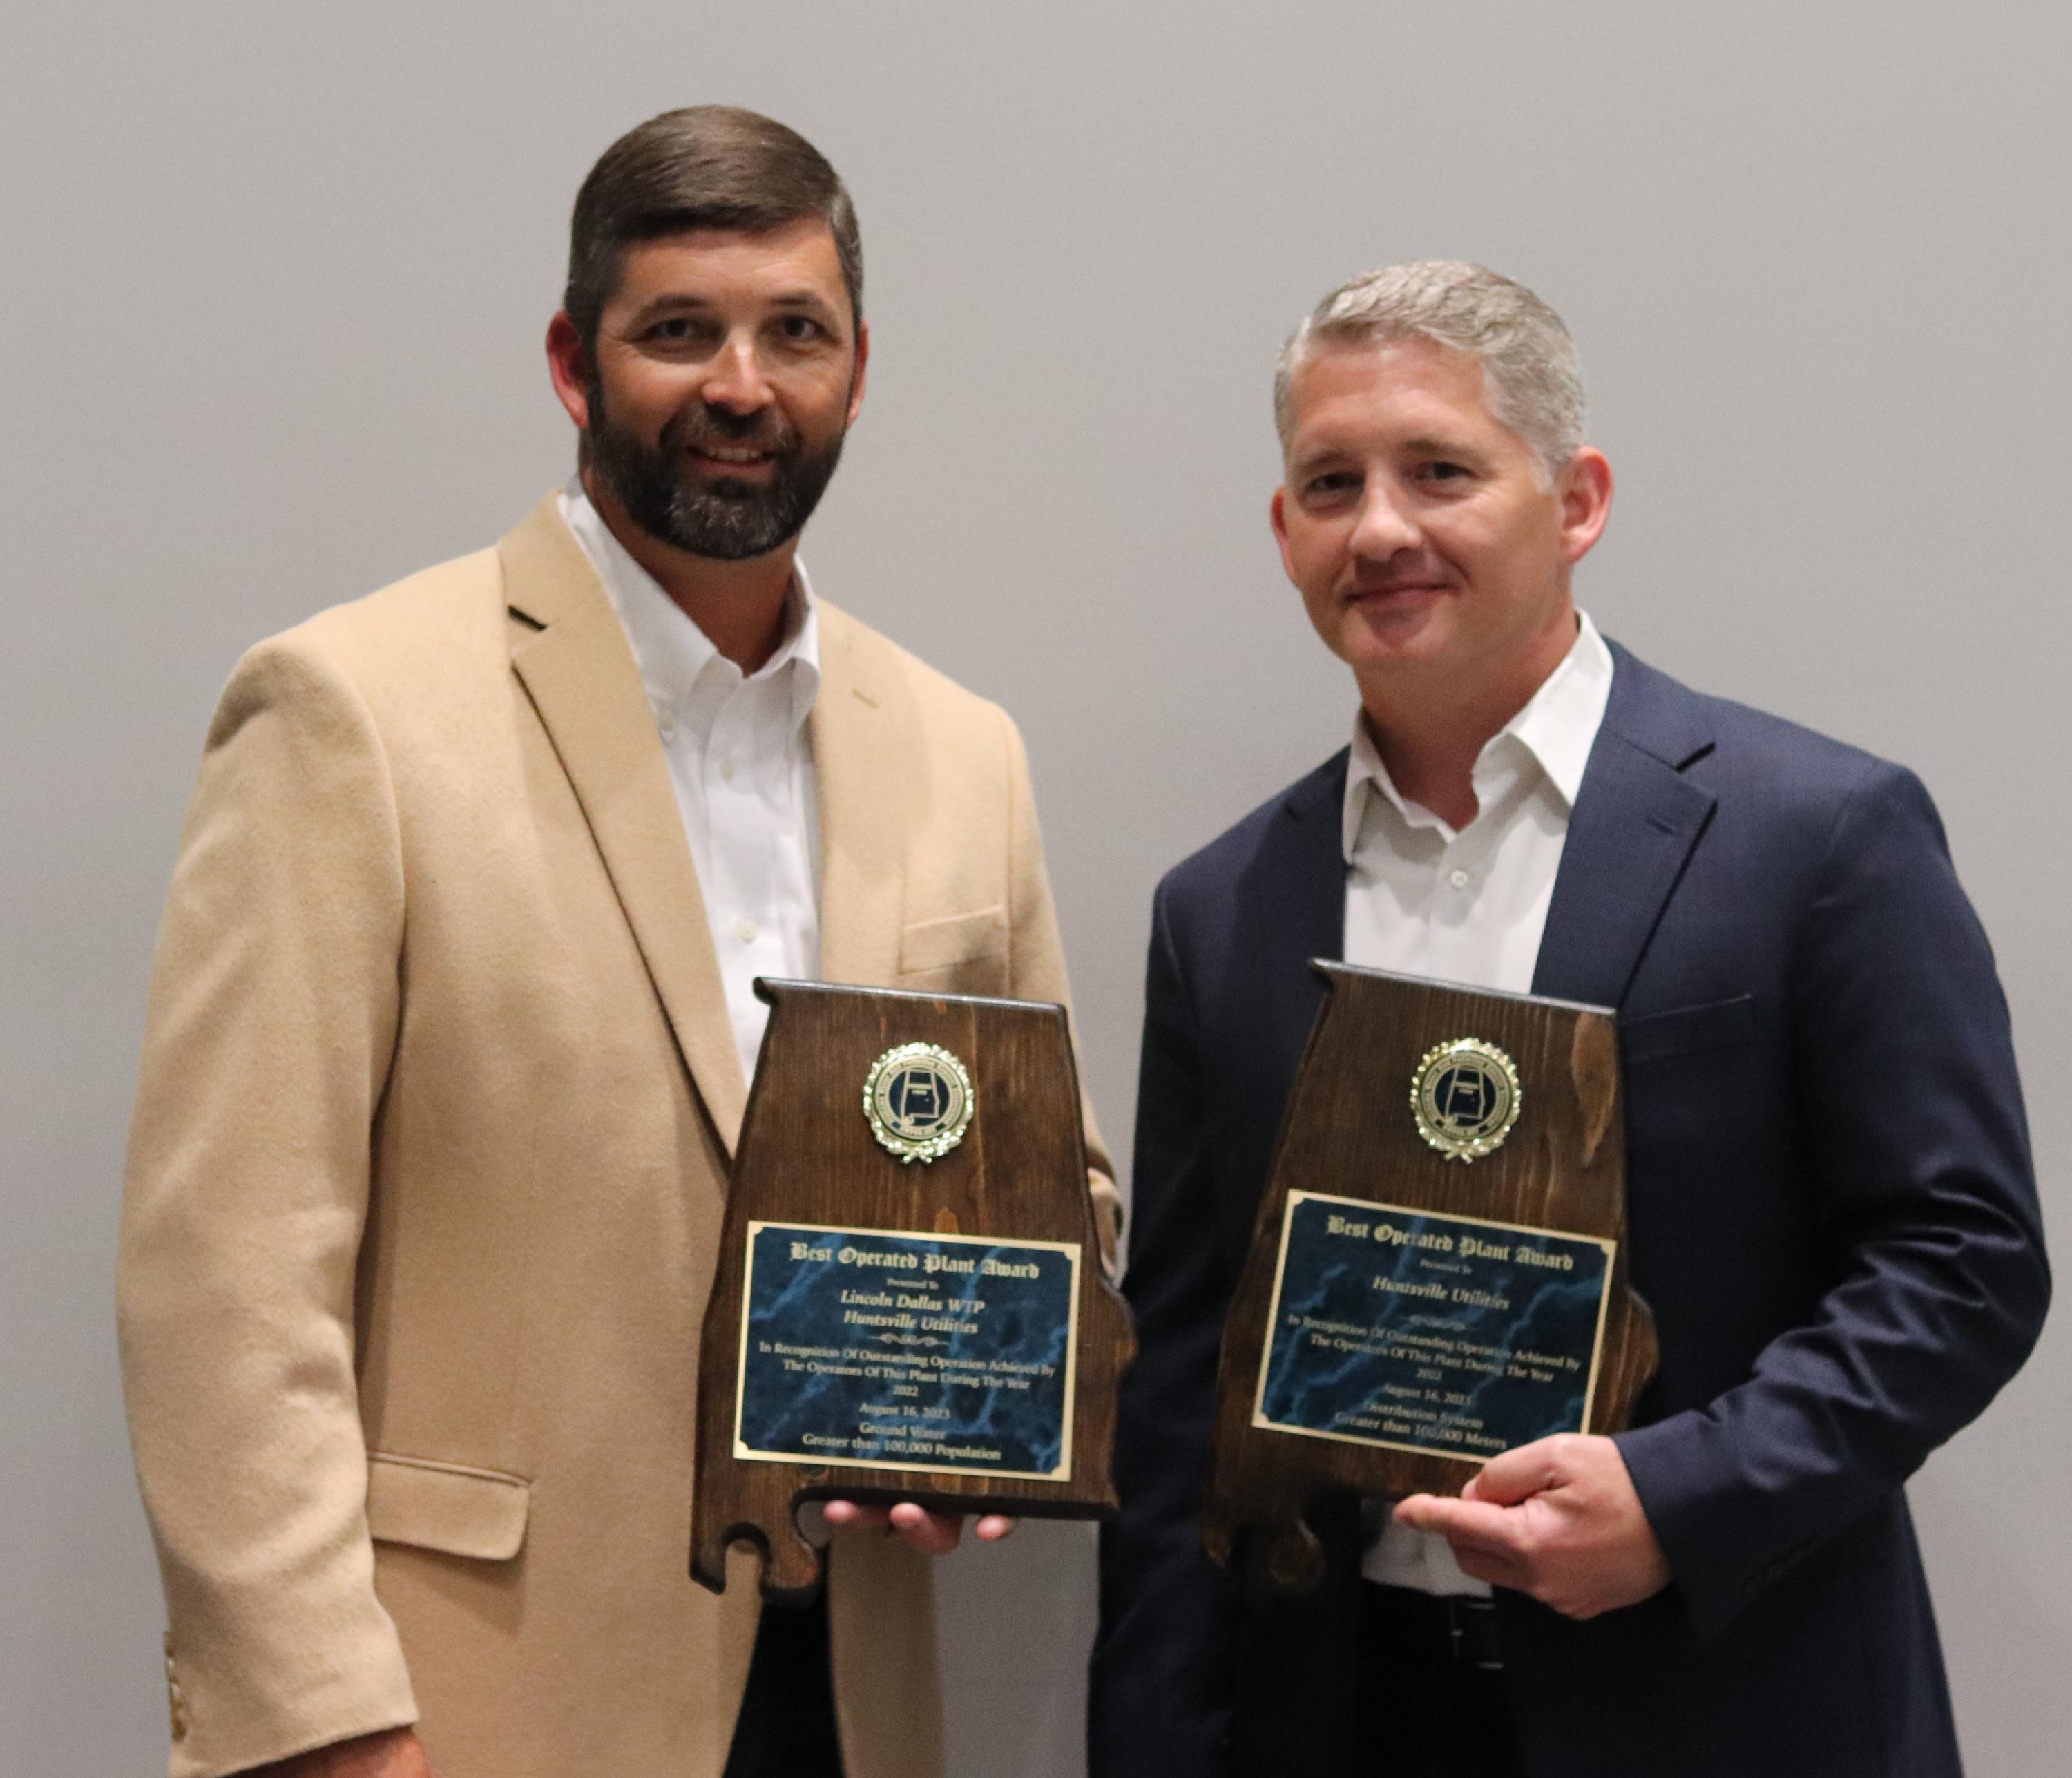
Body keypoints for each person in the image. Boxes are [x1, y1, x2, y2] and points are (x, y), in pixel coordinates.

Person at [117, 106, 1113, 1778]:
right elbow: (226, 1277)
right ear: (575, 366)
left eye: (796, 332)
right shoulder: (349, 708)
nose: (742, 385)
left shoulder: (964, 747)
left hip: (850, 1694)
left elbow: (1053, 1199)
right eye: (679, 332)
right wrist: (317, 1724)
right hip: (468, 1702)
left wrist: (984, 1417)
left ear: (859, 374)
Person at [1089, 261, 2049, 1777]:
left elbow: (1966, 1262)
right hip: (1342, 1714)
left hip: (1728, 1705)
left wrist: (1684, 1496)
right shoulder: (1222, 911)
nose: (1382, 528)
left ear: (1577, 500)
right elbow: (1187, 1385)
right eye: (1330, 483)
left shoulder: (1818, 836)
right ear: (1285, 534)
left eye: (1441, 471)